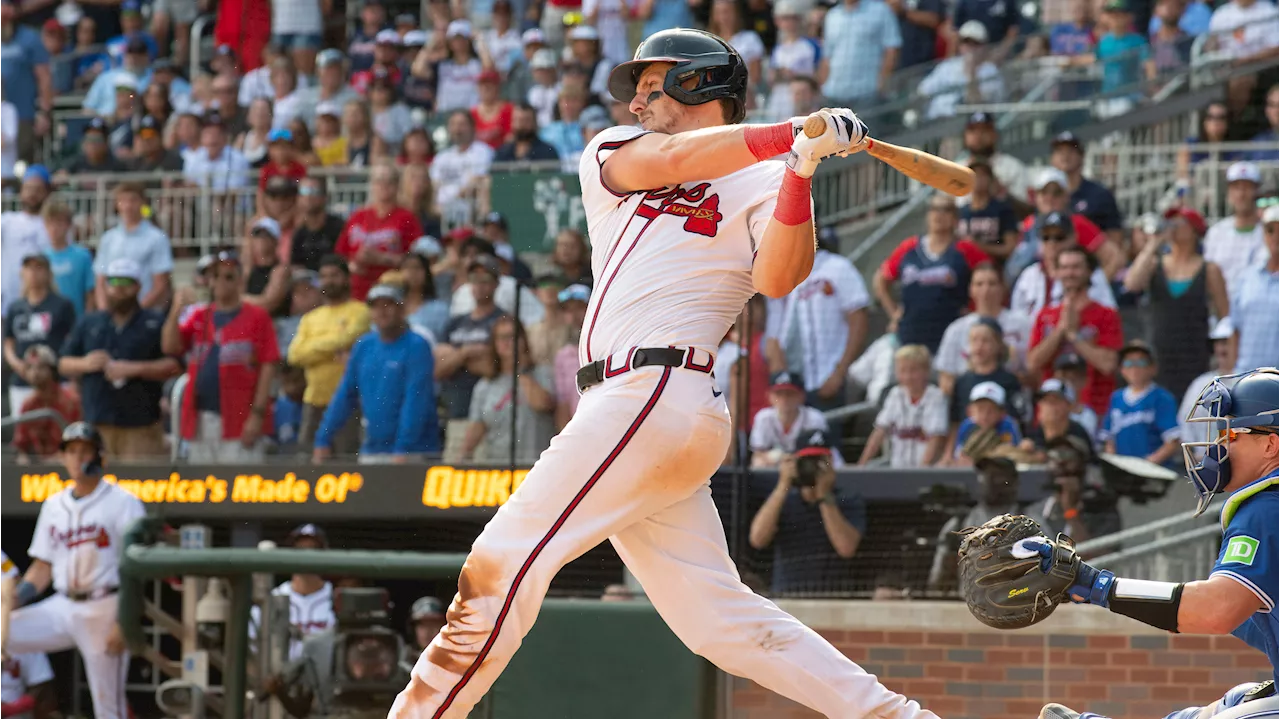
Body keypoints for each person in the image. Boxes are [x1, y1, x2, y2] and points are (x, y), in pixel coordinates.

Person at [391, 28, 941, 719]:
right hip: (632, 404)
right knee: (718, 620)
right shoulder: (613, 151)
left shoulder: (769, 175)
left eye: (652, 86)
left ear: (700, 83)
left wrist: (800, 169)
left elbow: (779, 276)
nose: (637, 102)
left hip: (655, 391)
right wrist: (789, 134)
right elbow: (678, 157)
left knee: (499, 565)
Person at [1034, 367, 1280, 719]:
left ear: (1271, 443)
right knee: (1234, 701)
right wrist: (1106, 591)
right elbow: (1252, 619)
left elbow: (1216, 612)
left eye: (1230, 431)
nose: (1219, 443)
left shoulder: (1267, 507)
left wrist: (1096, 586)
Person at [6, 422, 144, 719]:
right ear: (63, 457)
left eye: (85, 451)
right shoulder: (54, 504)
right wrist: (11, 603)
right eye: (72, 451)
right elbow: (42, 568)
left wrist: (125, 620)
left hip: (104, 608)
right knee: (2, 630)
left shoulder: (124, 501)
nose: (78, 458)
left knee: (109, 707)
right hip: (62, 605)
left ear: (99, 458)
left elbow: (135, 567)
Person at [164, 251, 280, 462]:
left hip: (240, 418)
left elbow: (268, 366)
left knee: (241, 489)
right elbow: (170, 346)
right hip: (201, 417)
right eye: (215, 276)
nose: (220, 282)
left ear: (239, 281)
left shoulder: (257, 317)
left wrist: (257, 415)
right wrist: (175, 310)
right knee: (204, 488)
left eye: (228, 276)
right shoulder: (200, 315)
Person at [58, 259, 177, 458]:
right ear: (105, 286)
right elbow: (62, 363)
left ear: (138, 286)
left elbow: (174, 365)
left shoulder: (154, 322)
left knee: (142, 486)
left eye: (126, 282)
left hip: (141, 426)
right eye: (114, 282)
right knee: (98, 486)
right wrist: (85, 363)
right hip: (97, 426)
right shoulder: (89, 322)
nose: (119, 289)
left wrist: (134, 369)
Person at [314, 283, 439, 463]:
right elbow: (345, 395)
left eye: (388, 305)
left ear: (401, 309)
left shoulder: (417, 346)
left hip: (413, 451)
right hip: (373, 448)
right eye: (376, 306)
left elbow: (416, 400)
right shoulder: (364, 345)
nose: (382, 311)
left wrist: (404, 448)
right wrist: (323, 438)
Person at [765, 227, 869, 429]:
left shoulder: (837, 267)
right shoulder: (786, 276)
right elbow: (774, 336)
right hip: (795, 386)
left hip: (828, 379)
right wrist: (783, 379)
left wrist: (839, 372)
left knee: (825, 451)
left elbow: (859, 319)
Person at [1124, 206, 1229, 397]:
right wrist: (1153, 244)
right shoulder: (1156, 264)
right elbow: (1132, 283)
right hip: (1160, 352)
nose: (1174, 227)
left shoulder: (1209, 269)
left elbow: (1225, 315)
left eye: (1181, 223)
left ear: (1194, 229)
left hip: (1194, 352)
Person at [747, 429, 866, 596]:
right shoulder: (784, 500)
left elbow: (846, 548)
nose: (812, 469)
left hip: (833, 600)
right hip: (788, 599)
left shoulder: (847, 500)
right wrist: (783, 485)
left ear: (830, 463)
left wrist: (824, 496)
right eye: (807, 462)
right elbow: (757, 539)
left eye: (819, 462)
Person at [873, 194, 989, 354]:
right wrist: (893, 313)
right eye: (934, 209)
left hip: (951, 336)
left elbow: (990, 278)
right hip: (911, 334)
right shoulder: (909, 247)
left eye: (945, 210)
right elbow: (880, 279)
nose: (938, 214)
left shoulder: (965, 249)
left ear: (955, 218)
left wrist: (974, 311)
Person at [288, 255, 370, 456]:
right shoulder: (310, 318)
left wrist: (314, 348)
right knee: (307, 465)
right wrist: (333, 346)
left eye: (335, 275)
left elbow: (349, 338)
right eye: (324, 276)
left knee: (346, 466)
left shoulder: (360, 311)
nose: (329, 281)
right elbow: (295, 355)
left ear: (346, 279)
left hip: (348, 401)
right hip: (314, 400)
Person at [1028, 245, 1123, 417]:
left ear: (1089, 271)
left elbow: (1108, 364)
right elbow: (1033, 363)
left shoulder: (1106, 314)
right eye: (1064, 267)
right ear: (1056, 272)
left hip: (1095, 410)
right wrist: (1060, 330)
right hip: (1051, 413)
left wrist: (1074, 335)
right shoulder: (1045, 315)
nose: (1070, 273)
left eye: (1076, 267)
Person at [928, 457, 1046, 591]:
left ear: (1014, 483)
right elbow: (935, 582)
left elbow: (1053, 571)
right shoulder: (959, 524)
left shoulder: (1031, 523)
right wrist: (947, 566)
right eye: (985, 475)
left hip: (1019, 604)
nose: (989, 481)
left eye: (997, 476)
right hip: (967, 605)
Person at [459, 314, 556, 463]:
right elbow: (477, 428)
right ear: (495, 344)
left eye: (513, 337)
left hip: (536, 467)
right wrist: (463, 457)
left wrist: (520, 371)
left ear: (523, 340)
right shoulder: (485, 386)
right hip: (498, 469)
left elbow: (541, 404)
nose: (508, 343)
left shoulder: (543, 373)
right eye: (502, 338)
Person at [934, 263, 1030, 396]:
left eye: (992, 283)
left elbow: (1033, 368)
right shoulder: (956, 329)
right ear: (971, 289)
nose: (986, 290)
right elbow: (946, 376)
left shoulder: (1022, 323)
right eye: (979, 284)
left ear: (1002, 288)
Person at [1010, 210, 1117, 325]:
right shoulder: (1028, 275)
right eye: (1046, 237)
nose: (1052, 243)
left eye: (1059, 237)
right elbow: (1016, 321)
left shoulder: (1090, 273)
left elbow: (1108, 316)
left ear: (1073, 238)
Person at [248, 524, 335, 660]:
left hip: (325, 678)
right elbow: (249, 652)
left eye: (314, 549)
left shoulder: (337, 599)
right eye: (300, 549)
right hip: (281, 678)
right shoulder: (271, 600)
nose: (307, 555)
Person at [335, 165, 422, 301]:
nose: (384, 185)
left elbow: (417, 260)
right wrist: (353, 265)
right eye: (379, 180)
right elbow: (340, 256)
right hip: (355, 291)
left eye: (390, 181)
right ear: (372, 184)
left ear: (397, 185)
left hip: (391, 292)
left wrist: (381, 258)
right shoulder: (357, 216)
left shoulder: (407, 218)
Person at [3, 254, 76, 412]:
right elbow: (8, 342)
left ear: (48, 273)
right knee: (24, 430)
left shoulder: (62, 305)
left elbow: (73, 341)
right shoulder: (15, 307)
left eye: (39, 268)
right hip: (22, 382)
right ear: (22, 273)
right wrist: (17, 365)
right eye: (28, 268)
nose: (33, 273)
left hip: (55, 381)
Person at [858, 344, 949, 468]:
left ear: (926, 371)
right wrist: (862, 464)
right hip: (899, 469)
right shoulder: (895, 394)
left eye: (913, 370)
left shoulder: (936, 396)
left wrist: (921, 472)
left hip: (928, 471)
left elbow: (936, 438)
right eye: (903, 370)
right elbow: (879, 431)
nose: (908, 376)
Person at [93, 182, 174, 312]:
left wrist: (135, 314)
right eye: (123, 201)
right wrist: (105, 313)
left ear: (143, 203)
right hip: (114, 315)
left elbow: (161, 284)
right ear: (117, 204)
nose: (128, 206)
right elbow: (101, 281)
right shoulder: (108, 239)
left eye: (133, 200)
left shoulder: (156, 238)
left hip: (145, 313)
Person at [749, 371, 843, 467]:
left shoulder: (814, 418)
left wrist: (787, 458)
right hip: (777, 465)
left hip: (808, 466)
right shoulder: (763, 418)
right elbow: (758, 453)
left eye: (790, 394)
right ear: (769, 396)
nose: (784, 399)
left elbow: (822, 453)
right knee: (758, 462)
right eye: (779, 394)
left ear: (801, 396)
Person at [1049, 132, 1124, 248]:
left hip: (1091, 259)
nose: (1065, 156)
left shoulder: (1100, 194)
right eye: (1059, 151)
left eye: (1071, 150)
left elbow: (1115, 237)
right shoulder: (1045, 196)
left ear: (1081, 156)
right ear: (1052, 159)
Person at [819, 0, 902, 104]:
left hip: (867, 93)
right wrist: (823, 86)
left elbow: (892, 49)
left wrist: (883, 82)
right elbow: (827, 56)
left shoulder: (881, 10)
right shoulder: (832, 15)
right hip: (834, 92)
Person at [918, 21, 1006, 120]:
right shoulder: (947, 66)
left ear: (984, 45)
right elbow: (924, 90)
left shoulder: (990, 71)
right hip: (937, 119)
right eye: (966, 43)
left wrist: (971, 74)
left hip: (969, 124)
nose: (970, 48)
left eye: (975, 44)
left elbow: (978, 105)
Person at [1229, 204, 1280, 373]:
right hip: (1245, 378)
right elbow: (1235, 331)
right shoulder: (1247, 277)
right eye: (1270, 230)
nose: (1276, 237)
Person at [1204, 161, 1266, 299]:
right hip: (1223, 312)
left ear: (1257, 191)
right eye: (1236, 187)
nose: (1241, 194)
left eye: (1247, 187)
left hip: (1261, 311)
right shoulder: (1216, 233)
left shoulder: (1271, 232)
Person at [12, 344, 81, 463]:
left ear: (52, 371)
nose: (35, 373)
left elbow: (78, 442)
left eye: (41, 367)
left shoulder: (70, 400)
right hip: (37, 472)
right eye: (30, 368)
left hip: (67, 465)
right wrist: (23, 459)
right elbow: (21, 444)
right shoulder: (28, 405)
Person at [0, 166, 53, 317]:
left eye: (38, 189)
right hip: (8, 303)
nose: (32, 194)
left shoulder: (54, 224)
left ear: (47, 192)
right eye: (28, 188)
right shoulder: (7, 220)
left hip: (43, 304)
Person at [1179, 318, 1236, 445]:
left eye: (1227, 342)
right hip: (1204, 456)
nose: (1223, 349)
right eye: (1219, 343)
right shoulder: (1200, 383)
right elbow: (1184, 422)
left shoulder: (1252, 382)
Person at [956, 157, 1018, 262]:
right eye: (972, 174)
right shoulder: (960, 212)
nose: (977, 178)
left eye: (982, 175)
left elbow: (1010, 248)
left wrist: (979, 247)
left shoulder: (1002, 209)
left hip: (993, 267)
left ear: (990, 179)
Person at [1020, 378, 1097, 461]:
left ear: (1069, 406)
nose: (1049, 407)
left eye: (1054, 401)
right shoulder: (1038, 429)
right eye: (1045, 401)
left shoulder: (1077, 432)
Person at [952, 381, 1022, 465]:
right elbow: (959, 456)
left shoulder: (1007, 424)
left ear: (1002, 413)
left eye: (991, 410)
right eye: (980, 409)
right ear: (970, 411)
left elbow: (1013, 453)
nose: (985, 415)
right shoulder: (967, 426)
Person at [290, 177, 346, 272]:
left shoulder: (339, 227)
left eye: (314, 191)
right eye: (304, 191)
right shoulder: (297, 231)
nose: (308, 197)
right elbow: (294, 264)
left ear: (325, 197)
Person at [494, 102, 560, 162]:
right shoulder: (503, 153)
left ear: (535, 123)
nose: (521, 125)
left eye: (526, 120)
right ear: (512, 123)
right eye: (518, 120)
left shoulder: (547, 152)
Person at [403, 597, 446, 668]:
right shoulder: (403, 659)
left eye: (433, 625)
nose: (428, 631)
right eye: (422, 626)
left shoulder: (455, 658)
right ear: (413, 630)